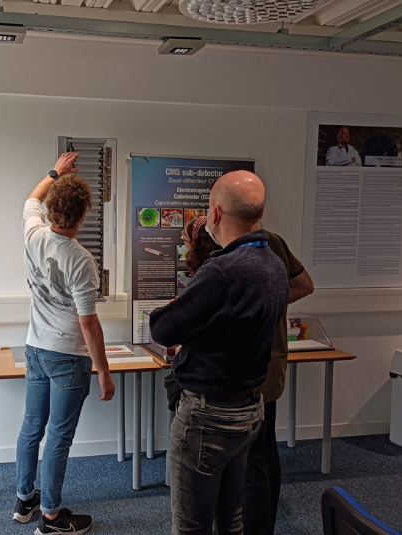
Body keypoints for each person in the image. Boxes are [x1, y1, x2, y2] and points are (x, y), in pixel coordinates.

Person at [150, 171, 288, 535]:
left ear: (214, 214)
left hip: (207, 417)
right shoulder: (273, 263)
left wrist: (182, 309)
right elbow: (234, 327)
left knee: (192, 525)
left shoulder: (222, 271)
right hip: (248, 409)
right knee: (232, 517)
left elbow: (162, 329)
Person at [177, 215, 314, 535]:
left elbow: (171, 326)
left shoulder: (223, 261)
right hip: (269, 368)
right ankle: (261, 525)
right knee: (264, 453)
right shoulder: (273, 243)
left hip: (241, 379)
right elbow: (304, 284)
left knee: (250, 463)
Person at [12, 153, 115, 535]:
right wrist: (104, 372)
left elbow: (31, 198)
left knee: (32, 427)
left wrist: (56, 171)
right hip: (67, 356)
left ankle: (25, 501)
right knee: (58, 436)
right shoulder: (82, 261)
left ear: (52, 208)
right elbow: (88, 323)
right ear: (84, 214)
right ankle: (52, 517)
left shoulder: (33, 232)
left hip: (35, 348)